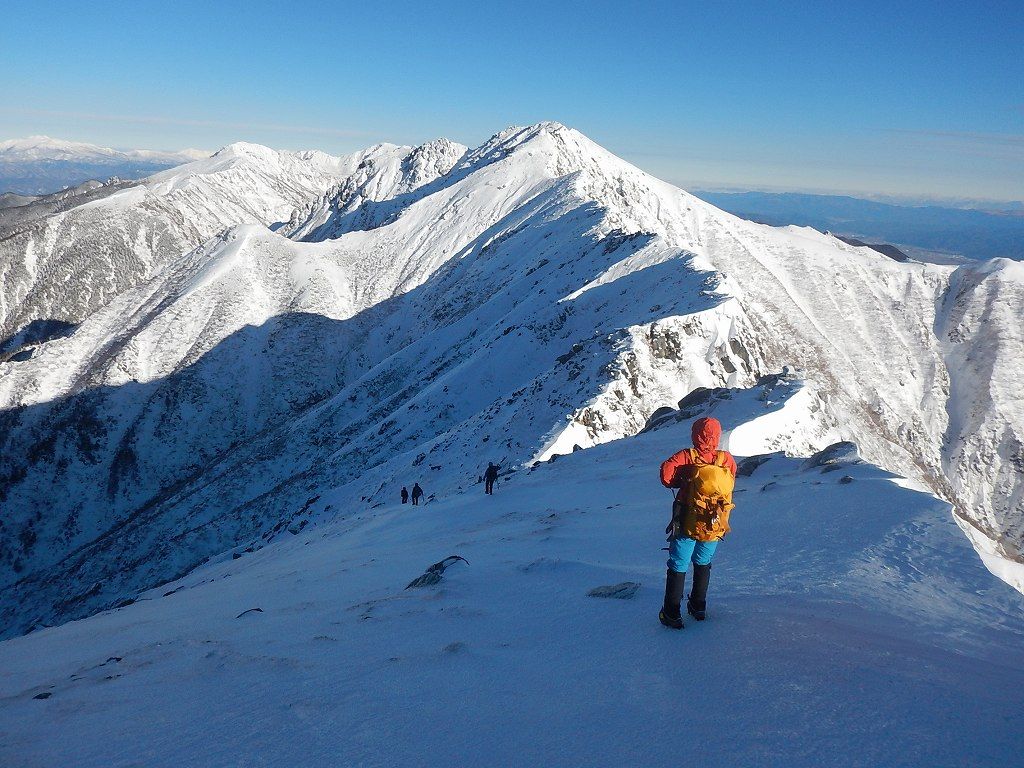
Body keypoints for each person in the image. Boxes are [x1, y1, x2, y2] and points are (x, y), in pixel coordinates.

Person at [658, 416, 737, 629]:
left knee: (679, 562)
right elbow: (731, 481)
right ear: (717, 436)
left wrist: (683, 480)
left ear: (695, 435)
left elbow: (666, 476)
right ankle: (698, 606)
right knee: (703, 561)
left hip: (687, 519)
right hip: (714, 522)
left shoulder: (687, 456)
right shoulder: (726, 459)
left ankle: (671, 613)